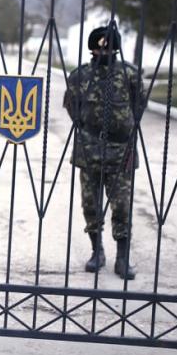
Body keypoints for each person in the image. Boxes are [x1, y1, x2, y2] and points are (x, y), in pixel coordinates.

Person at [64, 24, 145, 281]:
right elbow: (71, 106)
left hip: (121, 150)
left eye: (108, 47)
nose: (104, 51)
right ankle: (96, 251)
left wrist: (124, 128)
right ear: (92, 49)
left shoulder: (130, 75)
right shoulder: (80, 76)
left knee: (121, 205)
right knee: (90, 204)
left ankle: (122, 257)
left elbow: (139, 105)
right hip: (90, 149)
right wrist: (89, 128)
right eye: (99, 48)